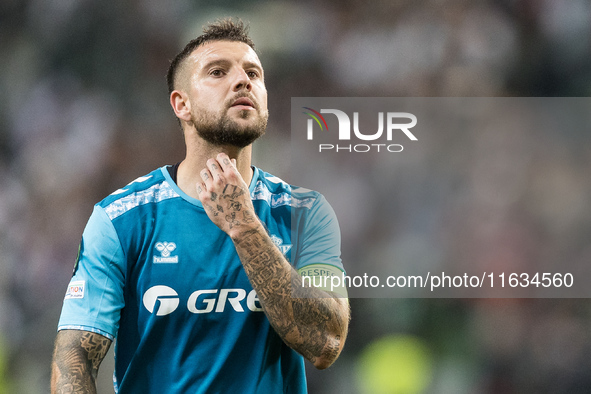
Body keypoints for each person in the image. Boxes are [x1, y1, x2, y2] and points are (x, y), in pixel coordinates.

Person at [50, 18, 349, 394]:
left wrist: (244, 226)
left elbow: (326, 343)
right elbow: (72, 361)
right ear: (182, 104)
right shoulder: (120, 220)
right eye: (218, 71)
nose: (243, 81)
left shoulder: (305, 213)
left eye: (253, 73)